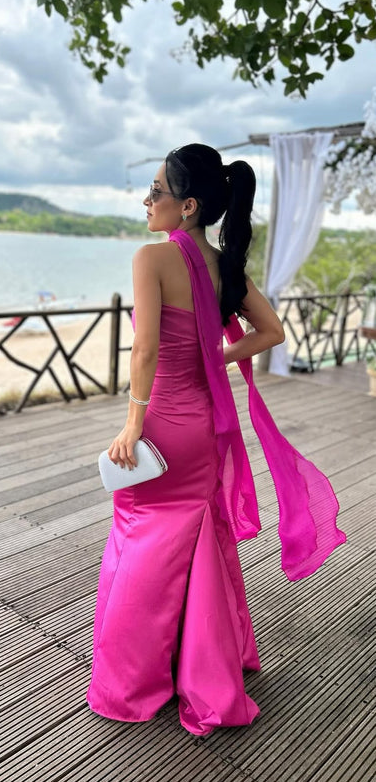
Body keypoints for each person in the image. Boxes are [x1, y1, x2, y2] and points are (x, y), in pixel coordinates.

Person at [85, 143, 345, 736]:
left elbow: (145, 350)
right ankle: (201, 668)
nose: (146, 200)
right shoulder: (225, 267)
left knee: (141, 542)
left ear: (189, 206)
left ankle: (135, 681)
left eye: (157, 191)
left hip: (161, 425)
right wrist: (217, 355)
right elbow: (272, 331)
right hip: (203, 428)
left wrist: (132, 423)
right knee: (195, 541)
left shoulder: (152, 258)